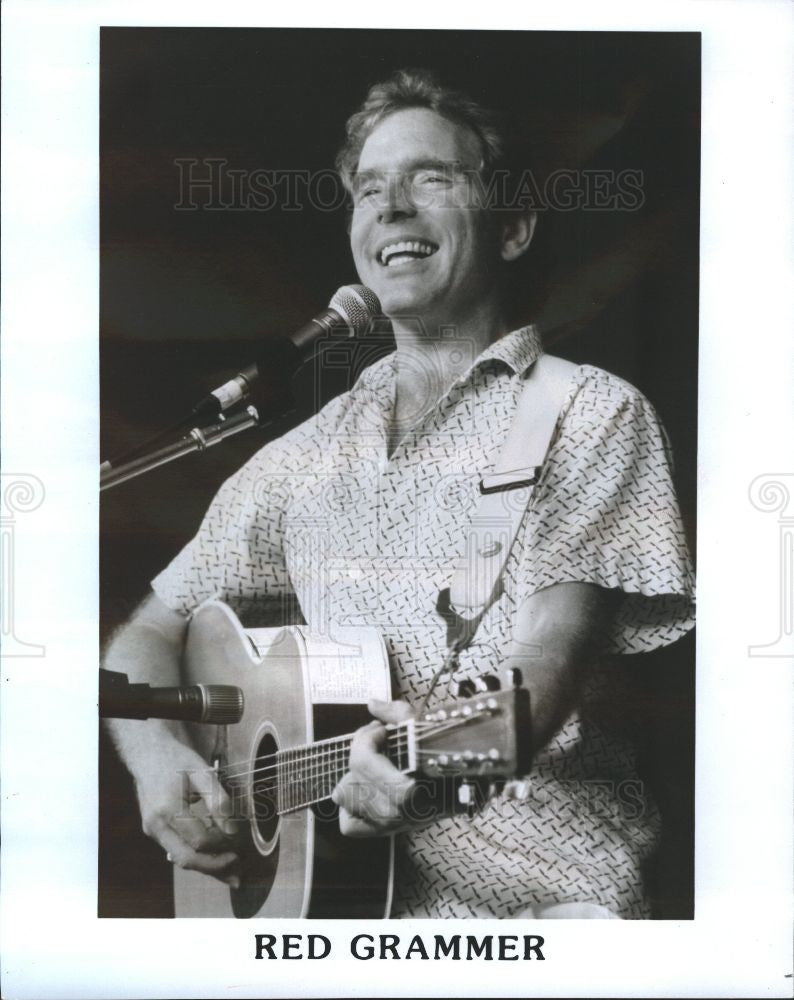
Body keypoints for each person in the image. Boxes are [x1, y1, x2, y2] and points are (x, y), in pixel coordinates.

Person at [104, 68, 695, 919]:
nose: (392, 207)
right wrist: (158, 758)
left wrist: (424, 760)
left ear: (515, 227)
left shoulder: (586, 414)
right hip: (337, 921)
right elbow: (150, 631)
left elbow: (544, 672)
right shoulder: (308, 452)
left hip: (538, 917)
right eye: (370, 189)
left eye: (432, 178)